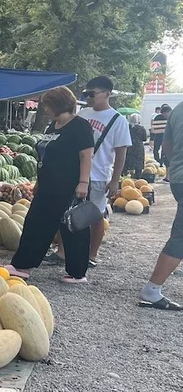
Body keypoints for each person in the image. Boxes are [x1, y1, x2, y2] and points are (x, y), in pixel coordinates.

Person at [5, 86, 94, 283]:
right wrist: (39, 181)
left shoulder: (80, 126)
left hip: (69, 185)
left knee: (73, 227)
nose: (44, 110)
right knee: (35, 223)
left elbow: (86, 155)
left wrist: (83, 182)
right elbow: (46, 155)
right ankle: (23, 265)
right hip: (48, 186)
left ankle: (77, 272)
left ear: (59, 104)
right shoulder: (52, 126)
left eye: (47, 106)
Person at [75, 76, 130, 266]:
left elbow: (121, 153)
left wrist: (115, 180)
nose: (89, 97)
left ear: (107, 93)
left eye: (92, 93)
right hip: (77, 172)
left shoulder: (118, 120)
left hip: (99, 175)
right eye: (86, 94)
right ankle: (64, 252)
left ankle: (92, 254)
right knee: (69, 213)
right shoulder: (82, 114)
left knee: (96, 217)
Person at [139, 106, 183, 310]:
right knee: (181, 236)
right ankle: (152, 290)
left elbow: (166, 145)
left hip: (178, 177)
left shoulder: (178, 109)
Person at [127, 113, 148, 179]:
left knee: (128, 162)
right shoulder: (141, 128)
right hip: (139, 147)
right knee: (138, 164)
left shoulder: (128, 127)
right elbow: (144, 138)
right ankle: (138, 178)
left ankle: (127, 178)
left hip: (129, 146)